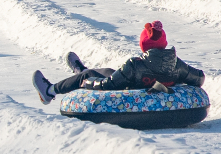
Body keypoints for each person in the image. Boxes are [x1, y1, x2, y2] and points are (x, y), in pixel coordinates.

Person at [32, 21, 206, 105]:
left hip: (126, 92)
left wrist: (88, 83)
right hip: (142, 85)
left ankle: (49, 90)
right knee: (108, 70)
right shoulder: (178, 65)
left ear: (144, 44)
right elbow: (199, 79)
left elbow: (106, 86)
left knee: (88, 76)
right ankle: (82, 71)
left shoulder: (135, 64)